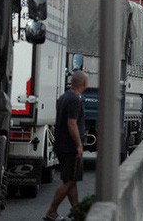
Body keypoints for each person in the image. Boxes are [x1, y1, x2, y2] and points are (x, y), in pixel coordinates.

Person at [44, 71, 88, 221]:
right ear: (84, 84)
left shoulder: (64, 97)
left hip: (61, 145)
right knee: (68, 180)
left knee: (71, 180)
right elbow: (72, 123)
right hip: (70, 147)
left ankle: (78, 214)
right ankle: (51, 211)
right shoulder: (75, 100)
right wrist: (79, 145)